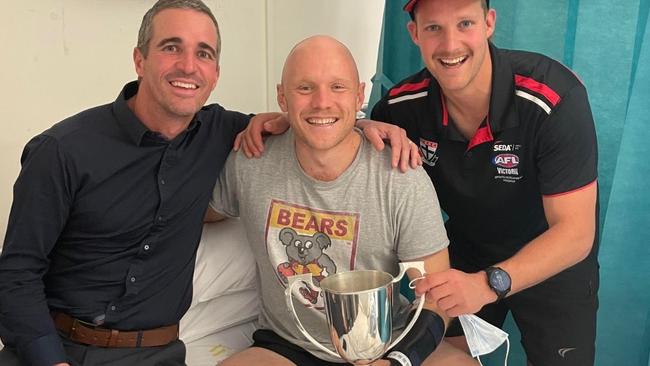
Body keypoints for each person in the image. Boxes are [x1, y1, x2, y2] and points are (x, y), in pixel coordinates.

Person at [0, 1, 284, 365]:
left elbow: (316, 125)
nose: (188, 65)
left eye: (204, 53)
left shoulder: (224, 134)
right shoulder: (62, 151)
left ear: (214, 74)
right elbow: (17, 272)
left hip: (156, 354)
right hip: (55, 348)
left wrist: (371, 126)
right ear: (139, 60)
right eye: (171, 47)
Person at [208, 35, 478, 366]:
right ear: (282, 97)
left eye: (338, 87)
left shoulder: (399, 175)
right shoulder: (250, 161)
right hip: (287, 346)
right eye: (305, 88)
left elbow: (437, 296)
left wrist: (400, 360)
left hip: (386, 342)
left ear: (359, 95)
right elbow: (194, 212)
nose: (322, 102)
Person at [364, 0, 599, 365]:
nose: (451, 45)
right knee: (438, 356)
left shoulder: (553, 96)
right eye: (433, 28)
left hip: (554, 258)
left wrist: (488, 285)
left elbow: (576, 232)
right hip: (467, 254)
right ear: (414, 34)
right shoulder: (399, 107)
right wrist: (357, 127)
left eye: (465, 24)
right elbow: (344, 137)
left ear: (489, 23)